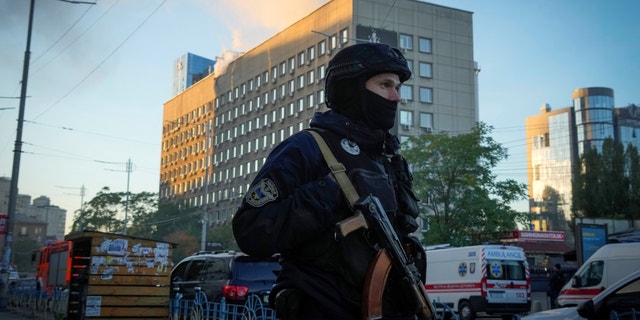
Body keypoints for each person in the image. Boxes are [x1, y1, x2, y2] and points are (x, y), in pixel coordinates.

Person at [232, 43, 425, 320]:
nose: (395, 97)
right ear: (350, 88)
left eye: (398, 87)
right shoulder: (307, 148)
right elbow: (251, 230)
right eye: (385, 85)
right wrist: (325, 193)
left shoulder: (387, 159)